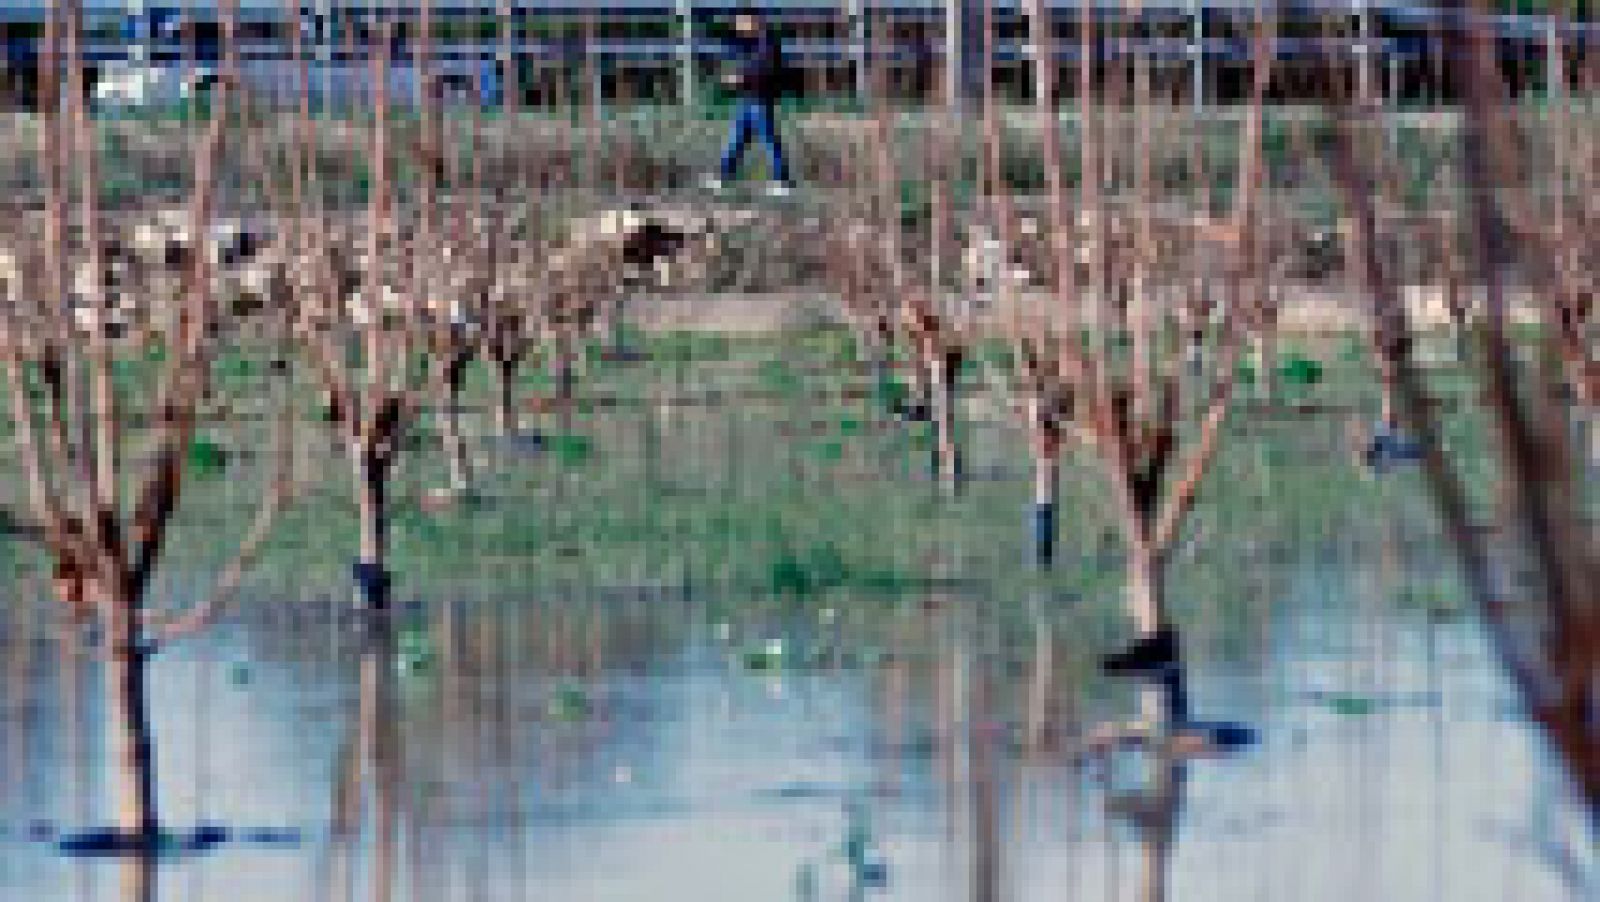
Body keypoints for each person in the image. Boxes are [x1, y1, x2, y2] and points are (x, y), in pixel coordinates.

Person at [705, 12, 793, 197]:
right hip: (749, 97)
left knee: (768, 140)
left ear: (754, 21)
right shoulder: (752, 44)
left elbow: (765, 71)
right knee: (737, 139)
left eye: (742, 22)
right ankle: (723, 176)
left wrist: (740, 79)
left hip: (760, 99)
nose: (738, 27)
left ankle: (782, 181)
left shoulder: (767, 44)